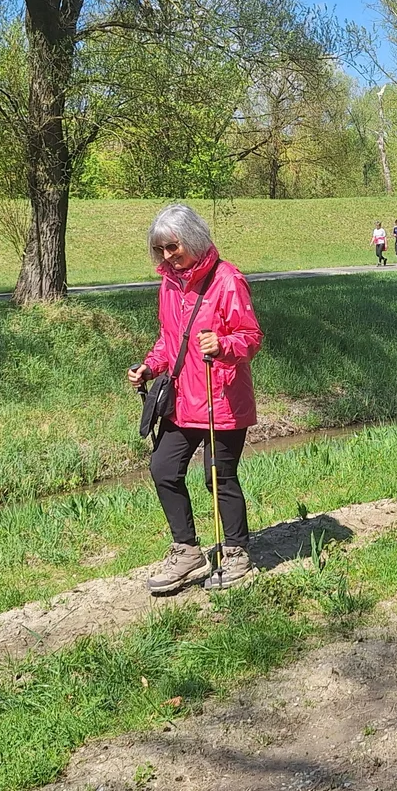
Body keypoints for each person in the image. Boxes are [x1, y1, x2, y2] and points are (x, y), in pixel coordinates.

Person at [127, 204, 265, 594]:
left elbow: (251, 336)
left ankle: (236, 551)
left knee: (216, 476)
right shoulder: (169, 284)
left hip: (220, 394)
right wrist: (149, 367)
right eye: (161, 250)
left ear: (192, 240)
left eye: (173, 247)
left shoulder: (228, 279)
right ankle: (186, 550)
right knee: (163, 468)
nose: (168, 256)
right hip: (183, 397)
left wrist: (223, 344)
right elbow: (170, 339)